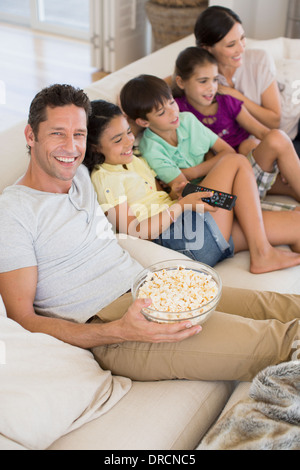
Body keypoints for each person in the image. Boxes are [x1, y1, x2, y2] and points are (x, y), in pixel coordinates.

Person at [0, 83, 300, 384]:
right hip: (114, 325)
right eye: (57, 133)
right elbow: (21, 317)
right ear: (30, 135)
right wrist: (116, 330)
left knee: (274, 304)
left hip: (154, 286)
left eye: (78, 134)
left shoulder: (80, 174)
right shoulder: (14, 211)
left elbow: (129, 133)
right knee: (277, 341)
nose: (71, 146)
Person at [120, 74, 300, 274]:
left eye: (172, 102)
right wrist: (215, 171)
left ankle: (269, 220)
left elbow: (227, 151)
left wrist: (194, 171)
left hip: (223, 192)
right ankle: (262, 252)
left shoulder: (187, 119)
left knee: (247, 159)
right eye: (162, 112)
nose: (173, 112)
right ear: (143, 122)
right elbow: (185, 191)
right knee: (236, 163)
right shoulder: (151, 148)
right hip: (203, 205)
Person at [172, 46, 300, 202]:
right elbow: (151, 95)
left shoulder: (227, 102)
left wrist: (283, 164)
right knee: (217, 154)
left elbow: (263, 133)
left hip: (251, 167)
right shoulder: (176, 110)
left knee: (259, 142)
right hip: (220, 177)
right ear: (180, 82)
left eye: (214, 80)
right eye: (203, 81)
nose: (211, 87)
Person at [194, 5, 300, 158]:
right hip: (268, 144)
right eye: (231, 45)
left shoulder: (259, 60)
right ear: (207, 48)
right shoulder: (203, 77)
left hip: (292, 124)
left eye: (242, 38)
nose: (241, 49)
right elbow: (173, 80)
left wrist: (234, 94)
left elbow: (274, 121)